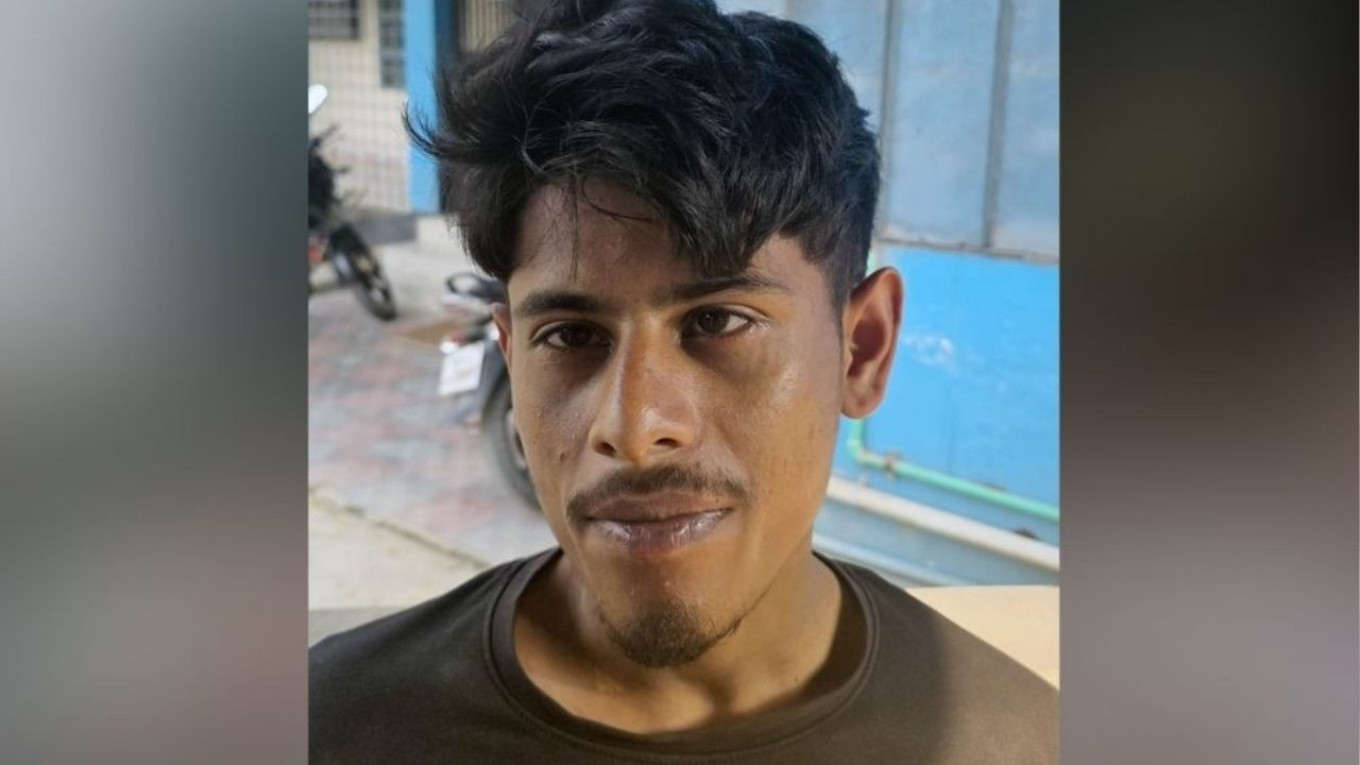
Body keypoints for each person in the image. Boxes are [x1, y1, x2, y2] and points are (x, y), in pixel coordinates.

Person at [309, 1, 1057, 761]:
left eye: (718, 321)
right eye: (570, 335)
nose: (634, 430)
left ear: (862, 350)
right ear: (512, 353)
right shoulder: (333, 725)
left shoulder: (1019, 740)